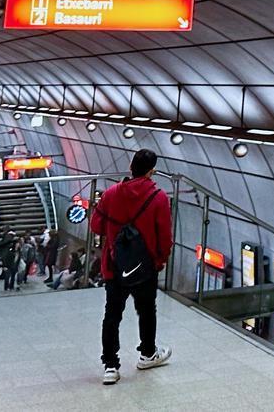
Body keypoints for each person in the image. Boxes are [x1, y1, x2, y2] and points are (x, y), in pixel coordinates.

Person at [90, 149, 173, 385]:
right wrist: (161, 259)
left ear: (130, 166)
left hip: (115, 263)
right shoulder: (158, 197)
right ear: (151, 171)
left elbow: (96, 226)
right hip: (145, 266)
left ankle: (110, 366)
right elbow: (165, 236)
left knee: (112, 315)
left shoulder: (110, 194)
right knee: (147, 310)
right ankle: (147, 354)